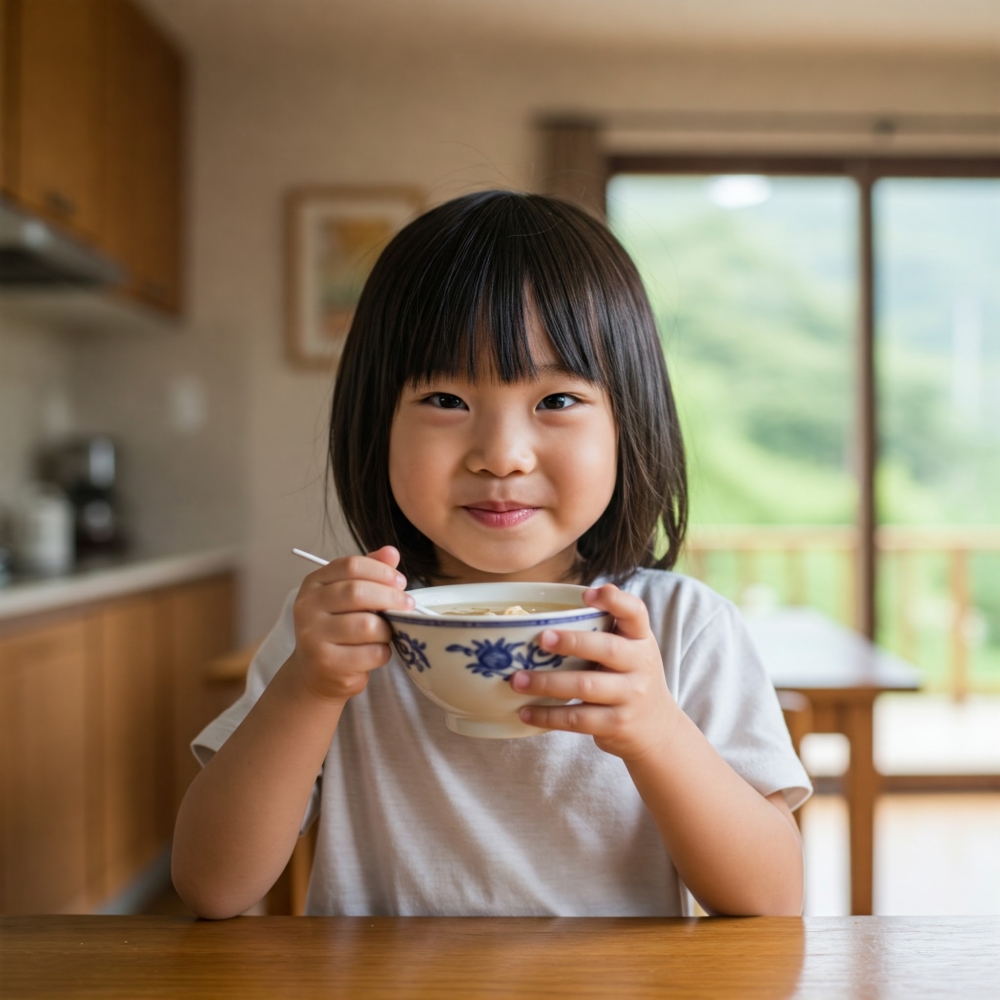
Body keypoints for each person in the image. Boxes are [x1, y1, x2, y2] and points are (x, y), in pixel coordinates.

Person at [172, 190, 811, 919]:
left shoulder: (679, 627)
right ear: (373, 424)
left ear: (629, 422)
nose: (502, 456)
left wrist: (658, 732)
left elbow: (772, 901)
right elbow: (212, 888)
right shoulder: (339, 629)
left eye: (557, 401)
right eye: (446, 399)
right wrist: (308, 689)